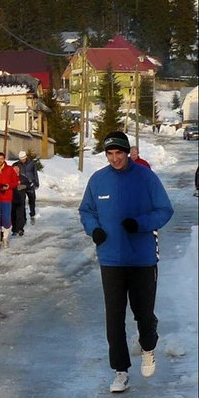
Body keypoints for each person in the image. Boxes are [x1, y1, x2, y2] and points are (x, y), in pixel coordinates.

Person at [79, 131, 173, 393]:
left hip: (142, 258)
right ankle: (120, 371)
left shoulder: (145, 177)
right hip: (110, 258)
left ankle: (148, 346)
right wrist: (94, 229)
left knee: (143, 313)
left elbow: (165, 210)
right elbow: (86, 210)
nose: (114, 158)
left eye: (118, 153)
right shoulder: (98, 180)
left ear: (127, 152)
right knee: (114, 317)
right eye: (109, 154)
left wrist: (140, 223)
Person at [0, 152, 18, 249]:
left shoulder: (10, 169)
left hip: (7, 198)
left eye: (1, 159)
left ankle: (5, 238)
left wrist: (9, 186)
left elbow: (15, 181)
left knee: (6, 218)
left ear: (4, 159)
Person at [13, 151, 39, 224]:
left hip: (31, 183)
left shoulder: (31, 163)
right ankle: (23, 217)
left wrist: (36, 183)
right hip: (23, 183)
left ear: (26, 157)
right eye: (21, 159)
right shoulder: (17, 164)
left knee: (32, 199)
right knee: (22, 200)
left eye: (23, 159)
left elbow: (35, 173)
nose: (22, 160)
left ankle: (32, 213)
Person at [11, 164, 32, 236]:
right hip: (12, 199)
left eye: (17, 168)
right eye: (14, 168)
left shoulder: (23, 178)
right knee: (13, 215)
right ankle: (14, 229)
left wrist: (24, 186)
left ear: (19, 169)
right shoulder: (10, 177)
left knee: (20, 215)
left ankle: (20, 229)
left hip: (21, 199)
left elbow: (29, 186)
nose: (16, 169)